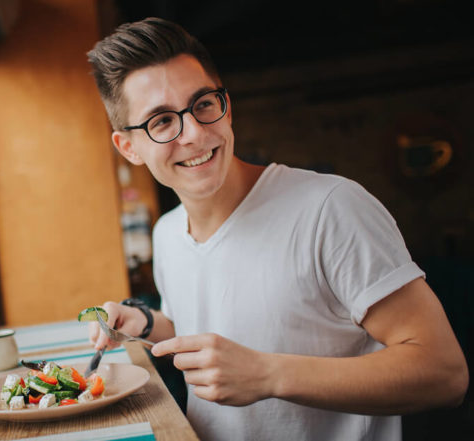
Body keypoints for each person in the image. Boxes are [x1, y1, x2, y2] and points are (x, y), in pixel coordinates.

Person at [85, 17, 469, 441]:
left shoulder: (330, 208)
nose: (194, 133)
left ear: (226, 105)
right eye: (160, 122)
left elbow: (444, 373)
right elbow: (205, 328)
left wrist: (268, 374)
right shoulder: (168, 233)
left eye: (203, 104)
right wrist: (140, 321)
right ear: (129, 148)